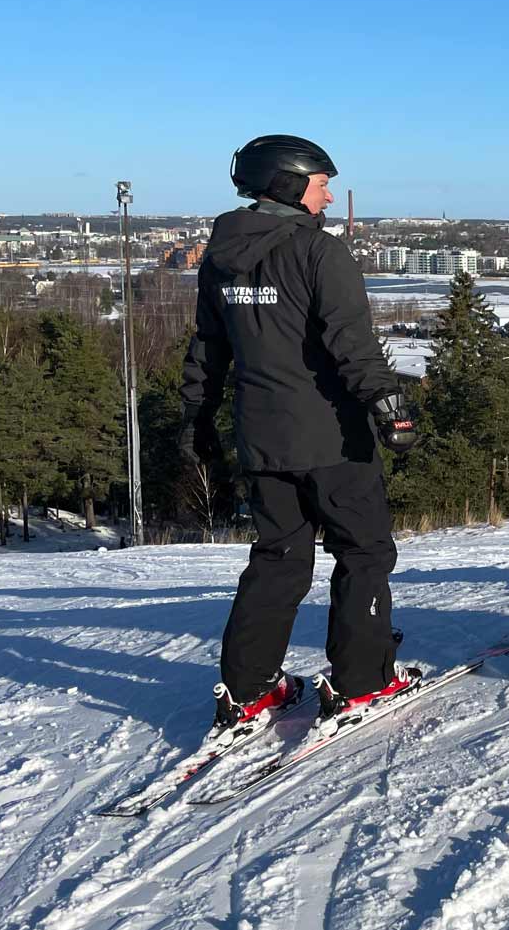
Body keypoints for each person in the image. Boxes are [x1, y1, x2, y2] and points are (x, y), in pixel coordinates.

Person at [181, 134, 422, 734]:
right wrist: (390, 406)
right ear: (289, 185)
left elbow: (207, 350)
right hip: (332, 439)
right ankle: (364, 683)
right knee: (363, 552)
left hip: (261, 439)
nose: (329, 194)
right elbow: (353, 344)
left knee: (278, 558)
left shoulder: (220, 257)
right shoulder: (319, 252)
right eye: (321, 184)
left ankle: (248, 692)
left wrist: (196, 419)